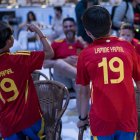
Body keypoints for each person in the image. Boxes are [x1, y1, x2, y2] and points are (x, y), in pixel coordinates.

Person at [76, 5, 140, 140]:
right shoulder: (127, 47)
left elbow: (83, 91)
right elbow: (139, 81)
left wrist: (82, 118)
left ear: (87, 32)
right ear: (110, 25)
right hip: (128, 119)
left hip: (101, 121)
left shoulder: (86, 54)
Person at [0, 21, 54, 140]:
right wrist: (38, 31)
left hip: (6, 123)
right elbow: (50, 53)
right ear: (9, 42)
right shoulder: (20, 58)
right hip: (29, 118)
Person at [43, 17, 86, 112]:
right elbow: (45, 64)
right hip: (62, 78)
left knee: (79, 81)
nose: (68, 28)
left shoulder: (82, 43)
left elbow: (92, 59)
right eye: (66, 27)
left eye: (71, 26)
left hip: (76, 80)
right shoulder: (57, 43)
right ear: (63, 29)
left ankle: (81, 116)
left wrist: (84, 44)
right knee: (59, 63)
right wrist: (65, 61)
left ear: (75, 27)